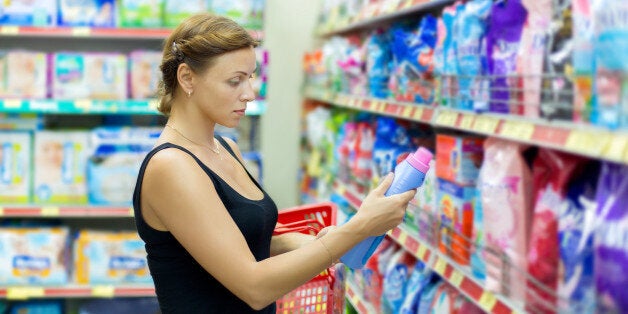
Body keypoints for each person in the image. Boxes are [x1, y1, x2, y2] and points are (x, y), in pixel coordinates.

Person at [132, 13, 417, 313]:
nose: (250, 94)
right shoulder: (171, 166)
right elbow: (254, 287)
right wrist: (359, 228)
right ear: (187, 77)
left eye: (251, 77)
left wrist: (308, 243)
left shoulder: (224, 148)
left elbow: (244, 241)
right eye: (234, 81)